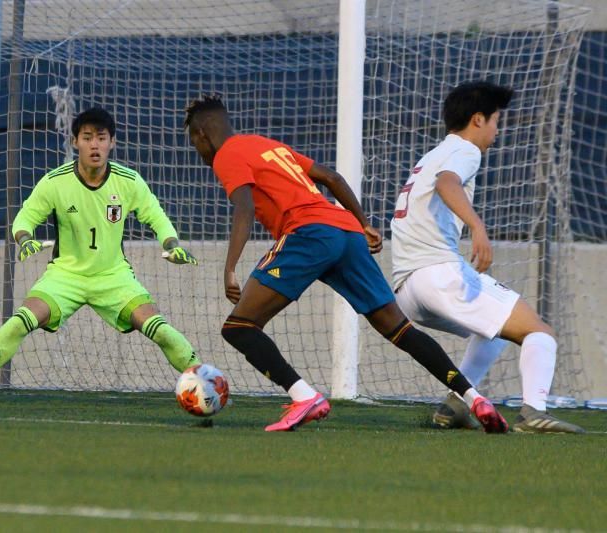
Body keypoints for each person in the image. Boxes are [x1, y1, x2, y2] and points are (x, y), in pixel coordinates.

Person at [184, 94, 508, 432]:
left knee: (239, 327)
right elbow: (332, 178)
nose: (198, 149)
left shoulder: (227, 155)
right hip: (347, 233)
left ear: (203, 134)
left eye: (194, 140)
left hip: (309, 234)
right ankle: (474, 398)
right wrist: (364, 222)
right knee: (399, 329)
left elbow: (244, 207)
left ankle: (303, 396)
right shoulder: (264, 145)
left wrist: (229, 267)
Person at [0, 108, 199, 404]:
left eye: (101, 138)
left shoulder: (129, 181)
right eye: (87, 138)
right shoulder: (56, 182)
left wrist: (171, 243)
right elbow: (24, 219)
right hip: (65, 276)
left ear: (112, 143)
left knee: (160, 330)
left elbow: (156, 216)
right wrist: (25, 239)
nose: (94, 145)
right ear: (74, 142)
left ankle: (206, 383)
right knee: (20, 321)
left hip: (113, 277)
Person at [390, 81, 584, 433]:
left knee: (493, 331)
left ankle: (455, 405)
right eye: (496, 121)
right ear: (477, 119)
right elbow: (448, 183)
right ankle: (533, 412)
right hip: (439, 275)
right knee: (539, 331)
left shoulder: (432, 155)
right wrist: (478, 227)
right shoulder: (465, 151)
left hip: (407, 291)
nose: (498, 130)